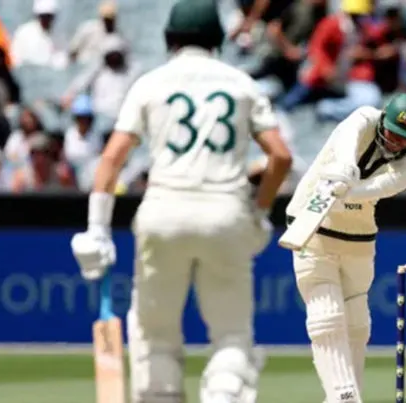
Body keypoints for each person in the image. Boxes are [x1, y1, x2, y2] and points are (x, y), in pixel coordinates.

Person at [69, 1, 292, 403]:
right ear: (218, 39)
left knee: (153, 335)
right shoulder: (241, 83)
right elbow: (280, 156)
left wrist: (97, 228)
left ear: (169, 38)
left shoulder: (151, 83)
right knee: (231, 336)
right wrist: (260, 210)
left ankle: (159, 392)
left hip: (163, 213)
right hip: (226, 215)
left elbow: (112, 158)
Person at [285, 93, 406, 402]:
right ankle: (345, 397)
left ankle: (346, 396)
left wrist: (349, 188)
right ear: (383, 119)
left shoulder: (402, 172)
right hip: (314, 231)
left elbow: (366, 192)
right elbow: (346, 139)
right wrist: (346, 167)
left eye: (405, 138)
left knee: (357, 323)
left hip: (359, 241)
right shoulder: (363, 118)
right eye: (392, 132)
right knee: (326, 317)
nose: (396, 142)